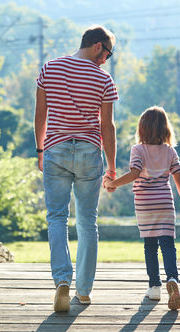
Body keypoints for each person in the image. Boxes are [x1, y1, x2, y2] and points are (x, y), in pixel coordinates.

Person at [34, 25, 118, 312]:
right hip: (88, 152)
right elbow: (107, 127)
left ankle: (61, 280)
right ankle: (83, 290)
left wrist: (40, 149)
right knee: (87, 222)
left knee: (57, 218)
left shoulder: (50, 68)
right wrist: (112, 167)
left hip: (55, 149)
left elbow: (40, 113)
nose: (107, 59)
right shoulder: (103, 79)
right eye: (108, 52)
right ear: (97, 46)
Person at [103, 106, 180, 310]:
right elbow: (178, 178)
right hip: (165, 202)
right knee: (168, 244)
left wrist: (113, 183)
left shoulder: (138, 149)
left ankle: (154, 287)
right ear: (165, 129)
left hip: (145, 204)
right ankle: (173, 279)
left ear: (142, 129)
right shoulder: (170, 151)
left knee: (150, 246)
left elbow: (134, 173)